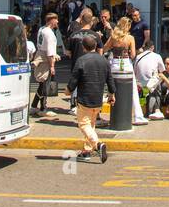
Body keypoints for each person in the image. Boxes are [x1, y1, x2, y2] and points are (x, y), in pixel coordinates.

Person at [66, 34, 110, 163]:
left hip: (85, 98)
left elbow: (74, 79)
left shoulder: (81, 60)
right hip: (98, 98)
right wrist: (112, 93)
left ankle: (98, 145)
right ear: (96, 46)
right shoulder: (103, 60)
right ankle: (87, 151)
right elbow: (110, 78)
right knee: (91, 124)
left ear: (83, 47)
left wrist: (68, 90)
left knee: (83, 124)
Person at [31, 13, 60, 118]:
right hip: (45, 59)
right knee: (45, 83)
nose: (57, 22)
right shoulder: (49, 34)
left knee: (42, 84)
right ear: (51, 20)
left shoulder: (41, 29)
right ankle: (43, 108)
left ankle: (34, 106)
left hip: (40, 55)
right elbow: (50, 52)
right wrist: (52, 66)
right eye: (56, 20)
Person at [133, 39, 166, 119]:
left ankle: (150, 109)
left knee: (154, 84)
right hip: (151, 85)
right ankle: (157, 110)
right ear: (152, 47)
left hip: (139, 84)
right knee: (158, 82)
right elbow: (162, 71)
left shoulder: (138, 57)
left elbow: (135, 71)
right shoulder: (157, 56)